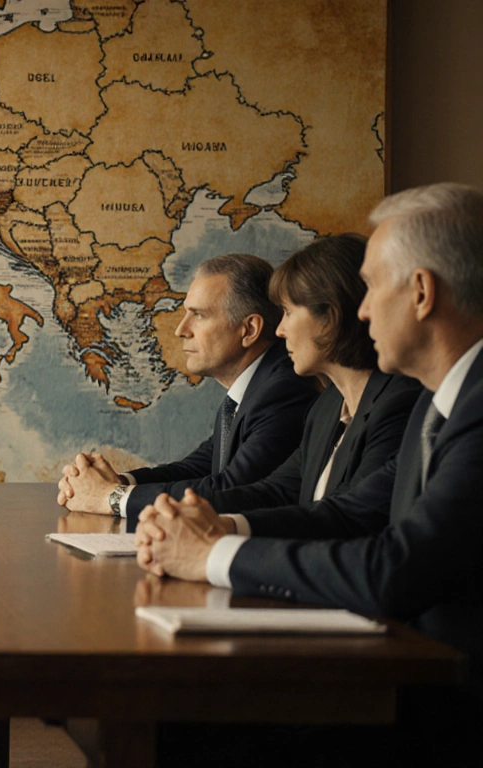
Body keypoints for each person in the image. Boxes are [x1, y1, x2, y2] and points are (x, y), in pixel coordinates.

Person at [136, 183, 483, 766]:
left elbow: (396, 567)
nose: (363, 308)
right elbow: (349, 510)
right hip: (409, 678)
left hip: (448, 716)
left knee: (179, 725)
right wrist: (219, 529)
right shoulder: (438, 401)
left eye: (372, 287)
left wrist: (210, 556)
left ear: (421, 292)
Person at [57, 253, 318, 520]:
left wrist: (108, 498)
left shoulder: (284, 390)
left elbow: (232, 489)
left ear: (249, 329)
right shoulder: (254, 388)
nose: (181, 330)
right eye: (185, 314)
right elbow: (200, 468)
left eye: (199, 315)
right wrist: (116, 482)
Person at [204, 234, 421, 517]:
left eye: (287, 313)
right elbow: (277, 491)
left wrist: (227, 527)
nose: (279, 331)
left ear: (330, 319)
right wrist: (188, 511)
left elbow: (349, 518)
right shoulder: (326, 406)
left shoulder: (399, 403)